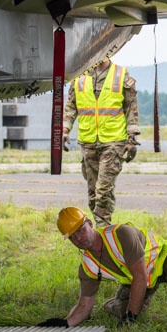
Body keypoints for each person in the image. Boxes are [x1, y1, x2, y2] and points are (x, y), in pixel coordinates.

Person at [38, 207, 167, 327]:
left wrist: (131, 318)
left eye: (80, 230)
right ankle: (113, 304)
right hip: (138, 280)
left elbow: (140, 276)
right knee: (120, 311)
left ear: (90, 224)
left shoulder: (121, 234)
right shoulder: (87, 267)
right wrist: (65, 323)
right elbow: (84, 305)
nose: (79, 238)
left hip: (162, 260)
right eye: (73, 236)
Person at [62, 57, 141, 226]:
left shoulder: (120, 74)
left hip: (114, 142)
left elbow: (130, 107)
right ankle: (100, 229)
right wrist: (64, 129)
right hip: (88, 141)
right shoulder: (79, 76)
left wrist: (132, 136)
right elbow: (71, 107)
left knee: (103, 190)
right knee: (93, 193)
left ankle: (103, 230)